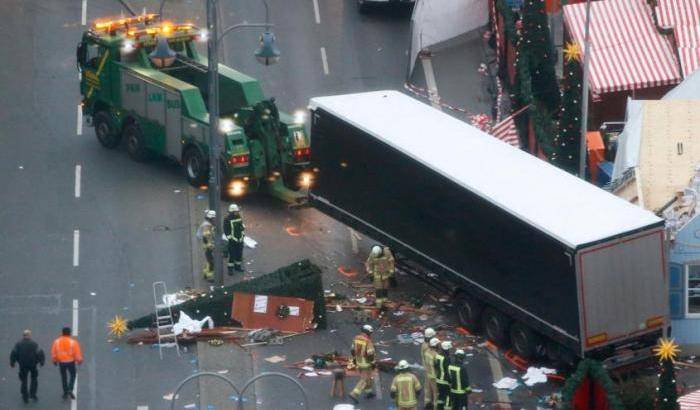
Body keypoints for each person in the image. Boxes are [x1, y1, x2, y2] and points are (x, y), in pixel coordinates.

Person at [10, 329, 45, 403]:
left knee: (24, 380)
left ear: (23, 335)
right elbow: (40, 353)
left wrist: (12, 362)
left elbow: (13, 353)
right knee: (34, 379)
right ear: (29, 335)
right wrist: (41, 362)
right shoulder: (34, 344)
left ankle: (25, 395)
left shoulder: (18, 344)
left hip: (23, 365)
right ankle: (32, 394)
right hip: (33, 365)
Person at [51, 327, 83, 400]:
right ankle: (70, 389)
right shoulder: (73, 342)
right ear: (70, 333)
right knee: (73, 375)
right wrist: (79, 360)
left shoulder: (57, 341)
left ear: (62, 333)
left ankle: (65, 392)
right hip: (70, 362)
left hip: (61, 362)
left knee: (63, 377)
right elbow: (77, 353)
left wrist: (54, 360)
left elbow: (53, 352)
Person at [349, 324, 376, 404]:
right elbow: (370, 354)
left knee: (367, 378)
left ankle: (369, 392)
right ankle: (354, 393)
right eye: (370, 333)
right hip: (366, 363)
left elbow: (352, 350)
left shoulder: (356, 338)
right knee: (365, 379)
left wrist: (354, 359)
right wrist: (372, 362)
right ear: (367, 332)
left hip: (359, 361)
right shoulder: (368, 341)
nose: (370, 334)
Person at [223, 203, 245, 274]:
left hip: (240, 239)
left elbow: (241, 226)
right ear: (231, 212)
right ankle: (230, 269)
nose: (237, 212)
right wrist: (230, 238)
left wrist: (243, 231)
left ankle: (237, 267)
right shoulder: (227, 219)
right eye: (235, 211)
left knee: (239, 254)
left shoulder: (239, 216)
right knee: (232, 255)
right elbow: (226, 230)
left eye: (237, 211)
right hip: (232, 240)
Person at [196, 209, 216, 282]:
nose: (215, 219)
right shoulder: (207, 225)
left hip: (206, 246)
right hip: (207, 247)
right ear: (211, 218)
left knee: (208, 261)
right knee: (211, 262)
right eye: (214, 218)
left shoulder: (207, 224)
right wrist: (210, 245)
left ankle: (205, 274)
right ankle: (209, 277)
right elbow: (206, 236)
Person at [422, 336, 441, 409]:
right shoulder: (436, 355)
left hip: (428, 374)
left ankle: (427, 404)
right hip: (434, 376)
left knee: (427, 390)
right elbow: (438, 366)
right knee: (436, 393)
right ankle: (435, 407)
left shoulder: (427, 352)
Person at [434, 340, 452, 410]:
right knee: (448, 395)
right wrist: (450, 381)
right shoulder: (447, 358)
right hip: (445, 380)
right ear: (447, 349)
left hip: (438, 379)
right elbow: (448, 371)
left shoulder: (438, 356)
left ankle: (439, 408)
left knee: (441, 396)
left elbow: (435, 365)